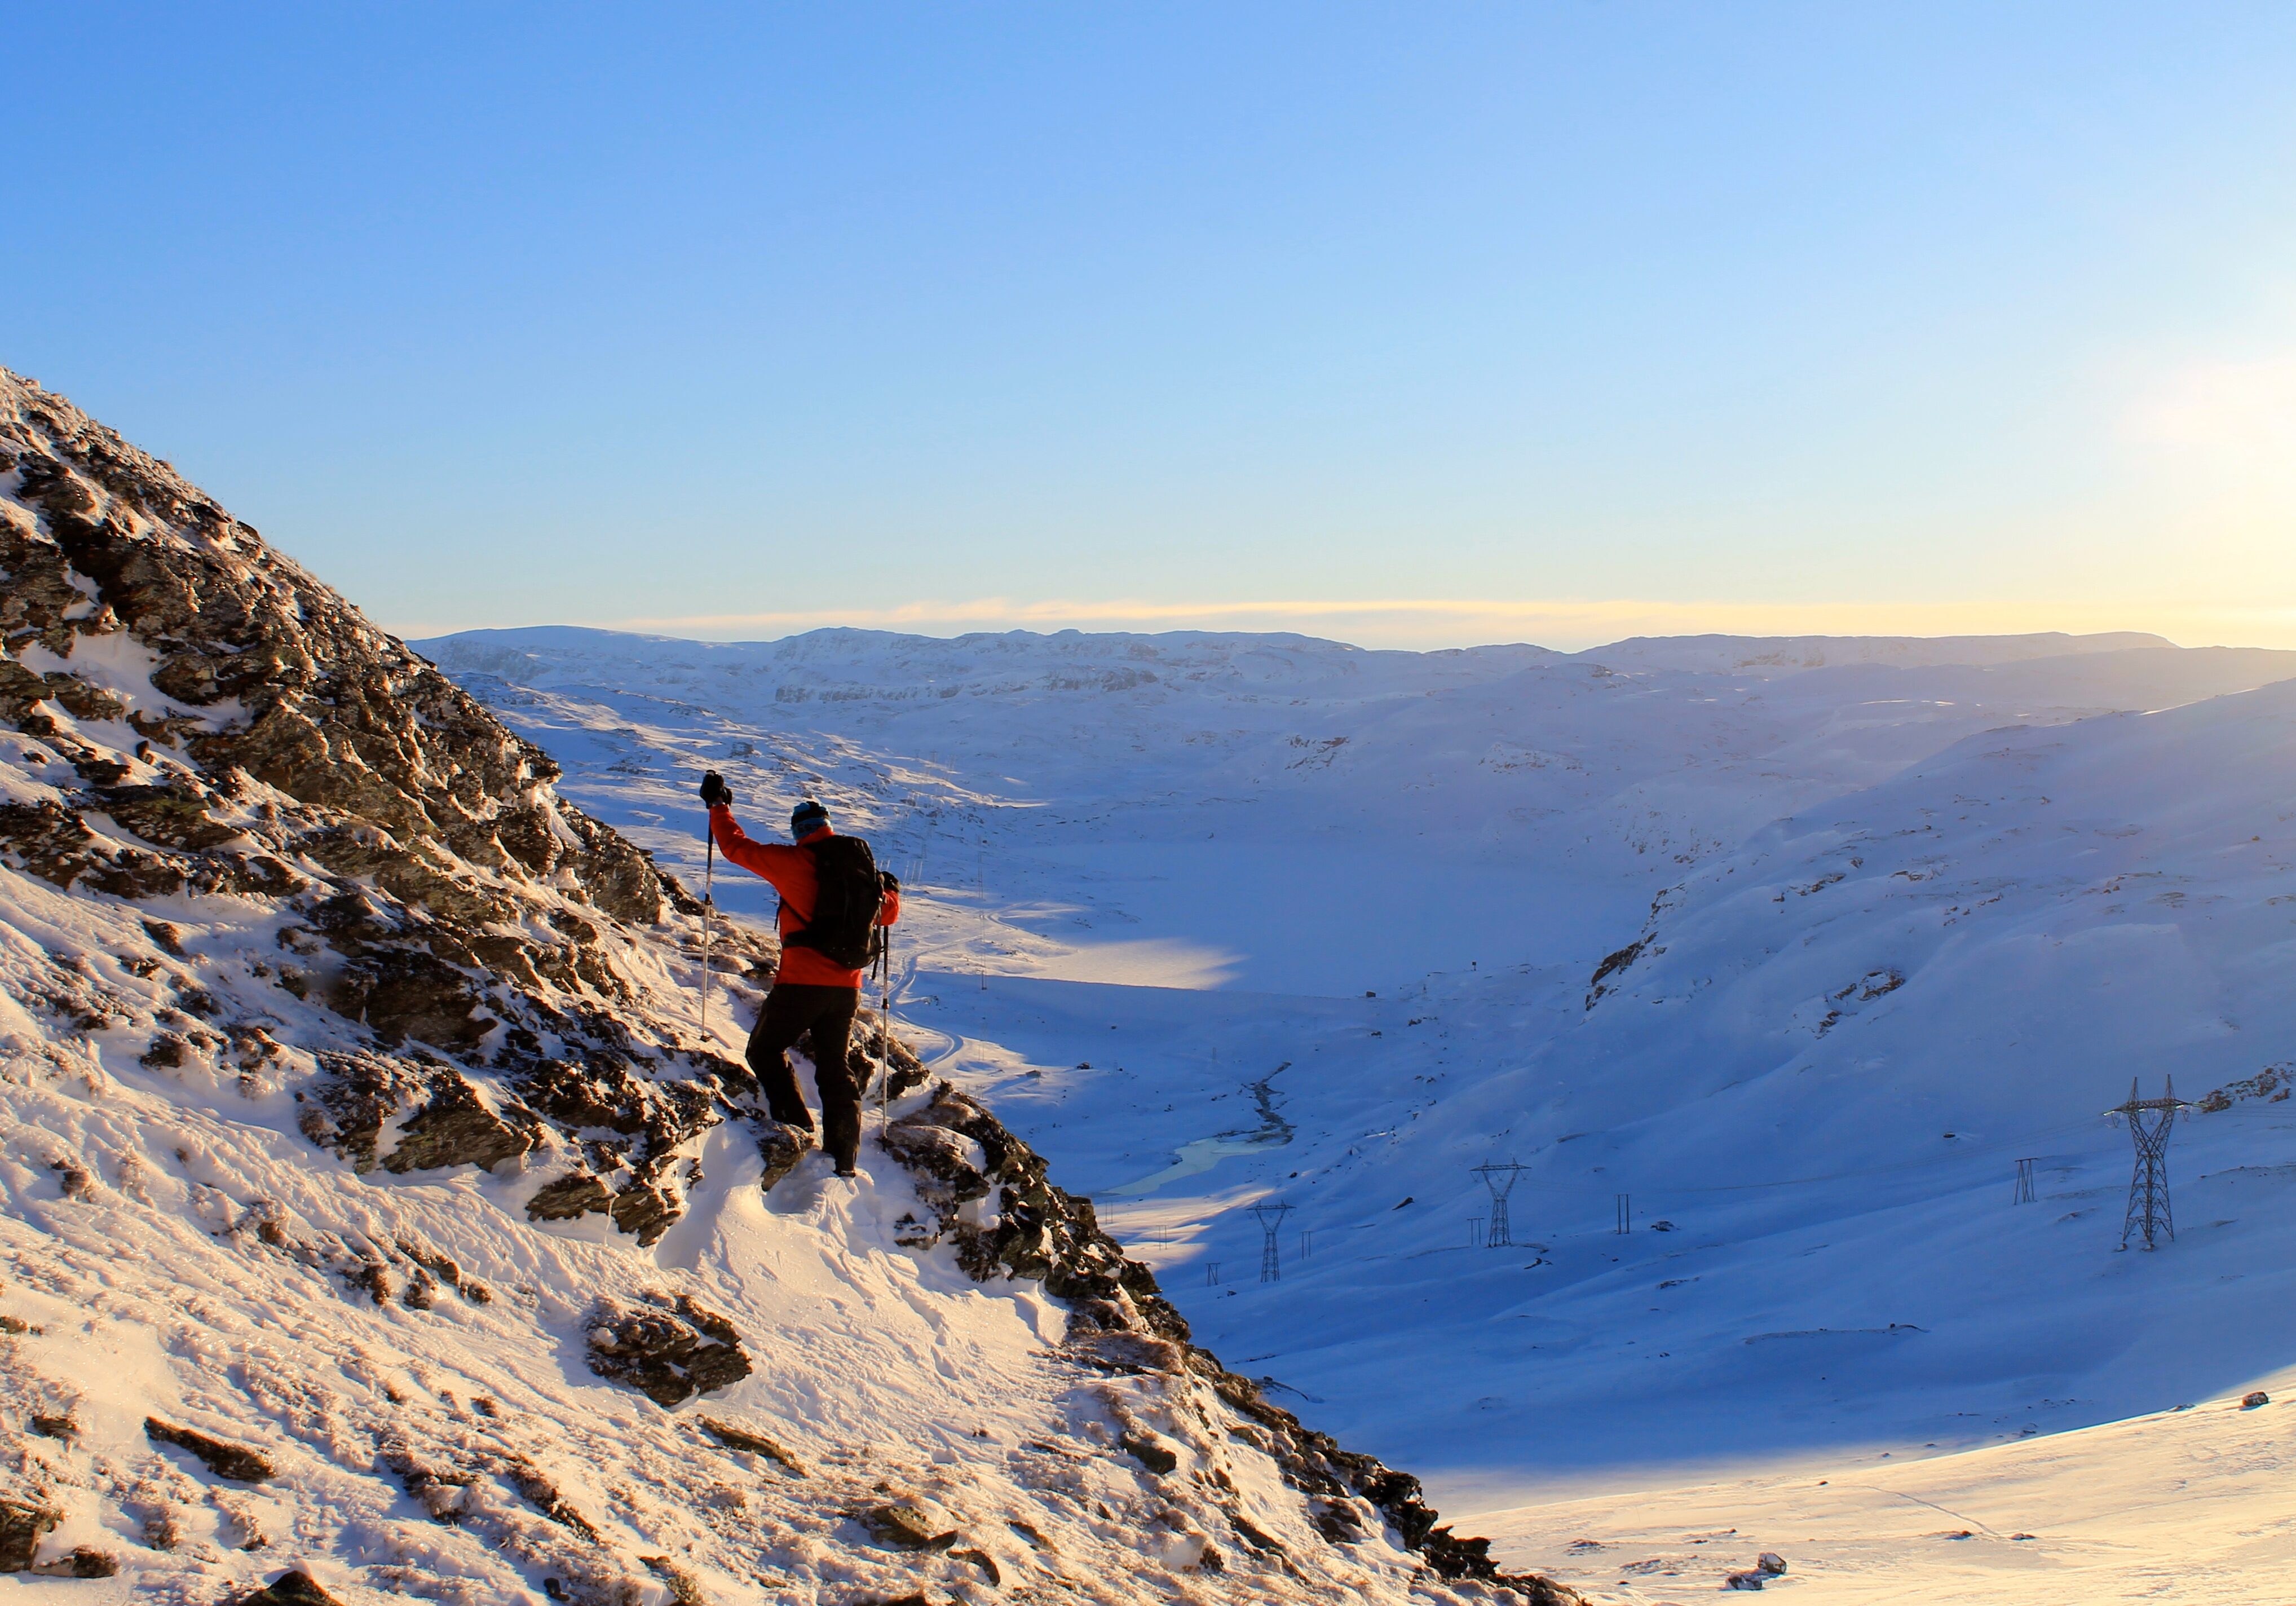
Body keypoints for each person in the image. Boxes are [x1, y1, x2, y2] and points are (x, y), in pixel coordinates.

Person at [699, 772, 898, 1179]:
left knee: (764, 1051)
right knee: (835, 1068)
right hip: (846, 989)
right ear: (829, 827)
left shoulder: (794, 861)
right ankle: (844, 1159)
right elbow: (889, 914)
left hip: (801, 984)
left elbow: (736, 848)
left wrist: (719, 807)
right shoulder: (860, 873)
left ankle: (796, 1127)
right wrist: (889, 890)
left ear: (799, 833)